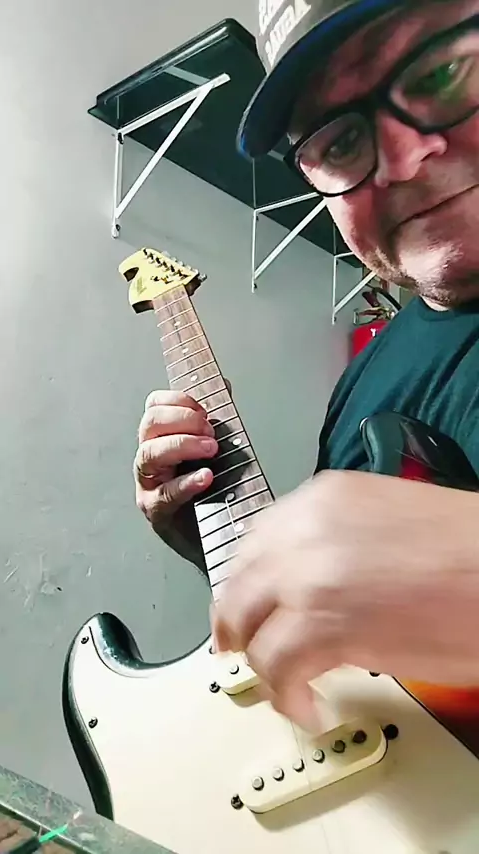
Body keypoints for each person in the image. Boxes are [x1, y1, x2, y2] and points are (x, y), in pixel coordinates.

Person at [134, 0, 479, 734]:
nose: (402, 160)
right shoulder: (363, 380)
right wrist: (228, 548)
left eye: (442, 74)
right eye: (340, 140)